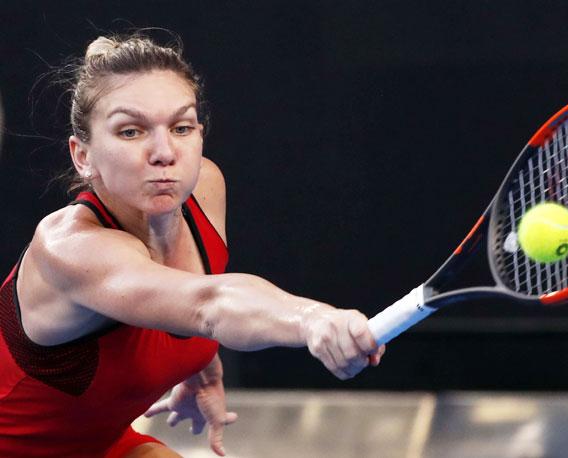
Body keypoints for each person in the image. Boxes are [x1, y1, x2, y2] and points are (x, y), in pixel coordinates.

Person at [0, 33, 384, 458]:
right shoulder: (70, 249)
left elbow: (184, 304)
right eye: (131, 132)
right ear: (82, 156)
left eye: (181, 127)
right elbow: (207, 304)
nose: (165, 152)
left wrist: (203, 369)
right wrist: (312, 320)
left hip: (99, 444)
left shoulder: (203, 186)